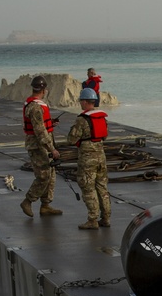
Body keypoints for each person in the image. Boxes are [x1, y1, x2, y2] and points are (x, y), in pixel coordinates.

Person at [67, 87, 111, 229]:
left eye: (81, 101)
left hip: (87, 158)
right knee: (102, 187)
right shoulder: (102, 117)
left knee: (87, 187)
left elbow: (72, 139)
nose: (80, 103)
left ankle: (92, 219)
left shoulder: (82, 119)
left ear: (86, 102)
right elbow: (104, 135)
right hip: (101, 156)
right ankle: (106, 218)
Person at [20, 74, 62, 218]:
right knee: (43, 176)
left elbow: (40, 125)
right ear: (44, 90)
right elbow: (40, 132)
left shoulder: (35, 105)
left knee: (51, 175)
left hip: (42, 144)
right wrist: (52, 149)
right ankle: (28, 200)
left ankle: (45, 205)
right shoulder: (36, 107)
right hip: (38, 146)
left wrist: (50, 123)